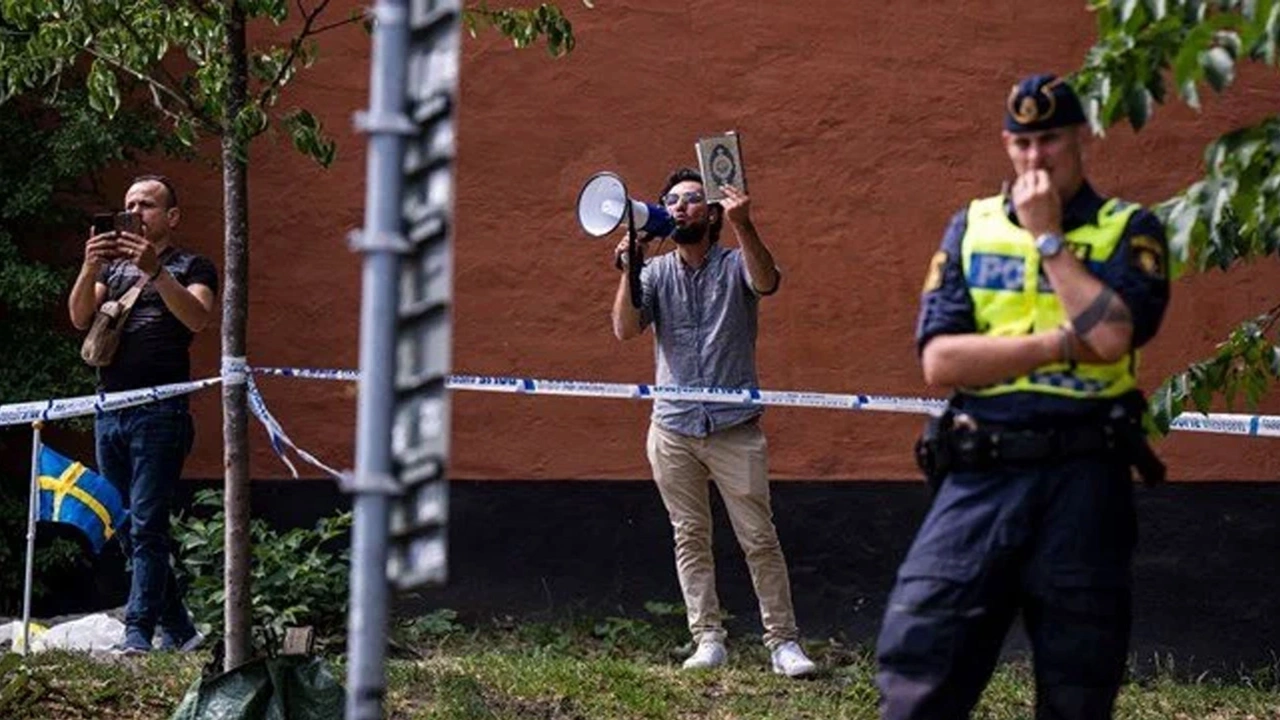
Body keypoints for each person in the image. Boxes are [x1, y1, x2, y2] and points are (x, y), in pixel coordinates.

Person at [874, 74, 1172, 718]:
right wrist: (1063, 342)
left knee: (1077, 683)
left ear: (1079, 138)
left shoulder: (1130, 229)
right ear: (1007, 145)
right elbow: (940, 360)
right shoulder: (971, 227)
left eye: (1051, 140)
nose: (1037, 158)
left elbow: (1116, 334)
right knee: (918, 661)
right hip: (981, 472)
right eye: (1023, 143)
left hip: (1084, 479)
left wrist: (1049, 242)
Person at [611, 167, 816, 677]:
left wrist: (746, 225)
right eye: (672, 201)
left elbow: (766, 282)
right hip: (673, 427)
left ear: (713, 213)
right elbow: (624, 330)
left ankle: (782, 643)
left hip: (733, 428)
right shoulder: (655, 273)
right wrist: (627, 271)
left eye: (692, 200)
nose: (680, 207)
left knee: (758, 538)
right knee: (690, 537)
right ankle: (707, 638)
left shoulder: (733, 265)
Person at [68, 174, 219, 654]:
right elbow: (78, 319)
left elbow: (197, 318)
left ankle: (138, 633)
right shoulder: (111, 273)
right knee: (129, 524)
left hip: (160, 412)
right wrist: (89, 268)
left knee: (149, 523)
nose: (136, 211)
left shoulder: (192, 265)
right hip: (109, 411)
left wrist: (156, 272)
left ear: (170, 217)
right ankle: (181, 630)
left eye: (147, 205)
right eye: (129, 203)